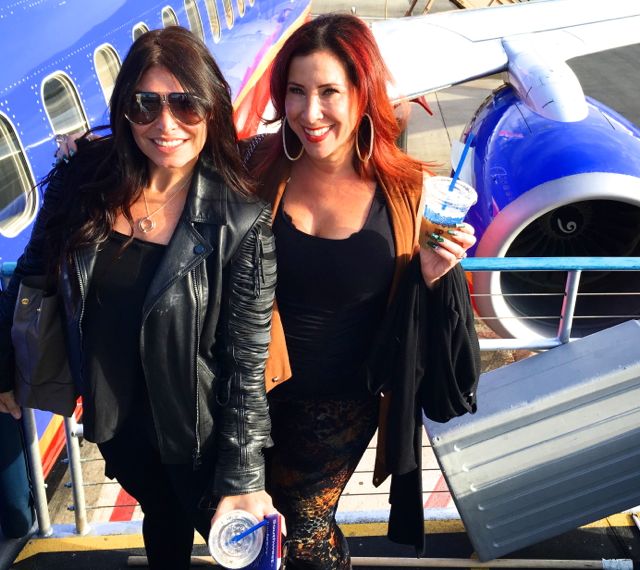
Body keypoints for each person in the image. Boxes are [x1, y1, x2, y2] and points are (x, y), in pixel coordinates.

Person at [0, 26, 278, 569]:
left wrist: (243, 476)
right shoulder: (83, 183)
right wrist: (4, 366)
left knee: (243, 551)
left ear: (212, 109)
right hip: (117, 424)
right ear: (125, 110)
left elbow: (247, 363)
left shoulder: (241, 223)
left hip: (198, 435)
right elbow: (31, 274)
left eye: (186, 105)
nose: (165, 124)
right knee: (160, 517)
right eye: (145, 104)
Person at [242, 14, 480, 569]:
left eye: (329, 92)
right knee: (255, 525)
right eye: (296, 92)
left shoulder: (408, 192)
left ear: (362, 92)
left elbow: (415, 309)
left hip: (341, 406)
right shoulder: (257, 165)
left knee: (300, 527)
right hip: (251, 393)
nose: (310, 112)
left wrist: (435, 273)